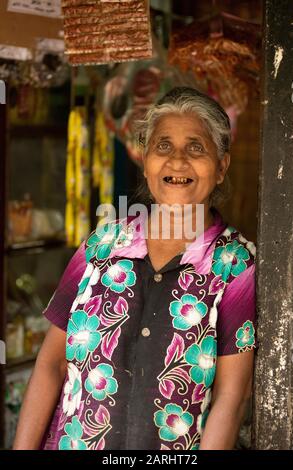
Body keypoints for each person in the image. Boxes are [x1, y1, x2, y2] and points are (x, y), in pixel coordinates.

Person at [13, 87, 257, 450]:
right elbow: (51, 365)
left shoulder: (236, 265)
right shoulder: (101, 244)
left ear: (221, 167)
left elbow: (231, 398)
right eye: (163, 145)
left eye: (196, 147)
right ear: (145, 161)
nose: (177, 160)